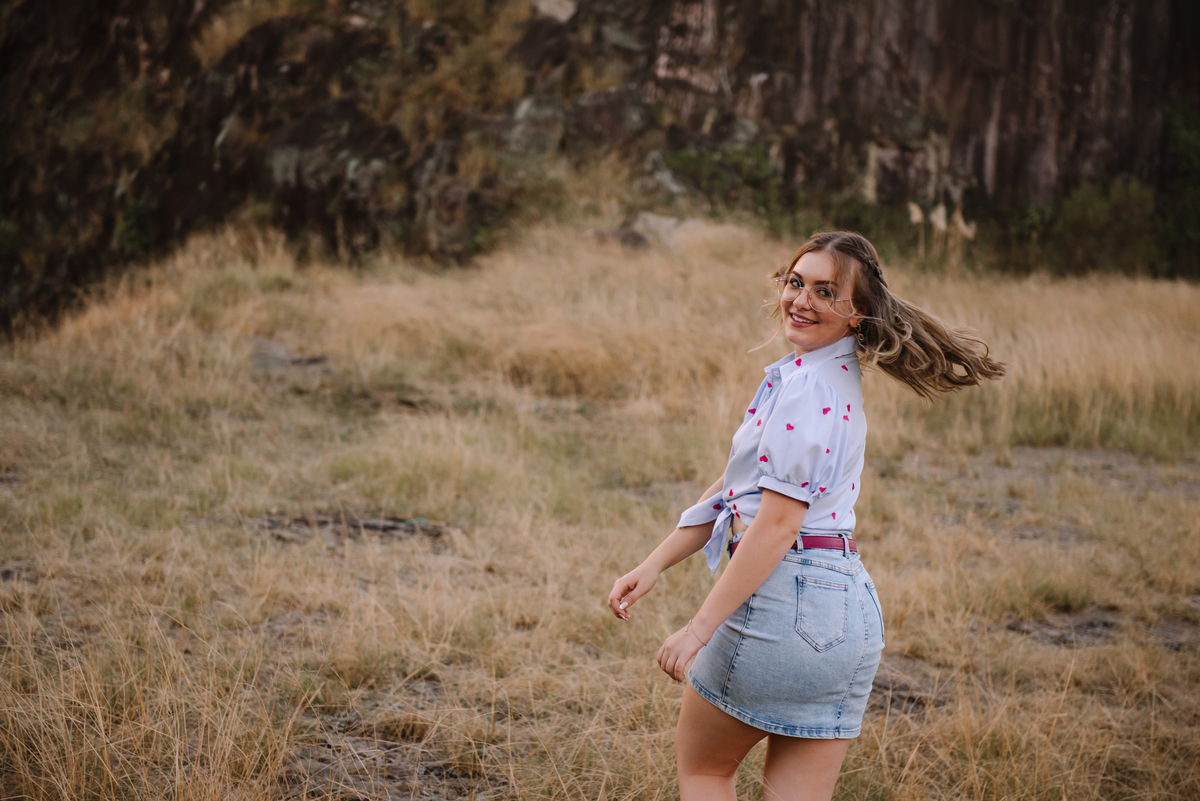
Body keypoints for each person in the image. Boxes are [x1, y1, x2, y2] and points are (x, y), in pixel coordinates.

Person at [607, 231, 1004, 801]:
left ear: (856, 314)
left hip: (782, 604)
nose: (802, 300)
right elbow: (737, 488)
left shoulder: (806, 387)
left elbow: (775, 525)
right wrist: (656, 562)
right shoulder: (822, 376)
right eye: (797, 283)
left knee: (706, 772)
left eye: (825, 292)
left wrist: (698, 629)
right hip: (846, 613)